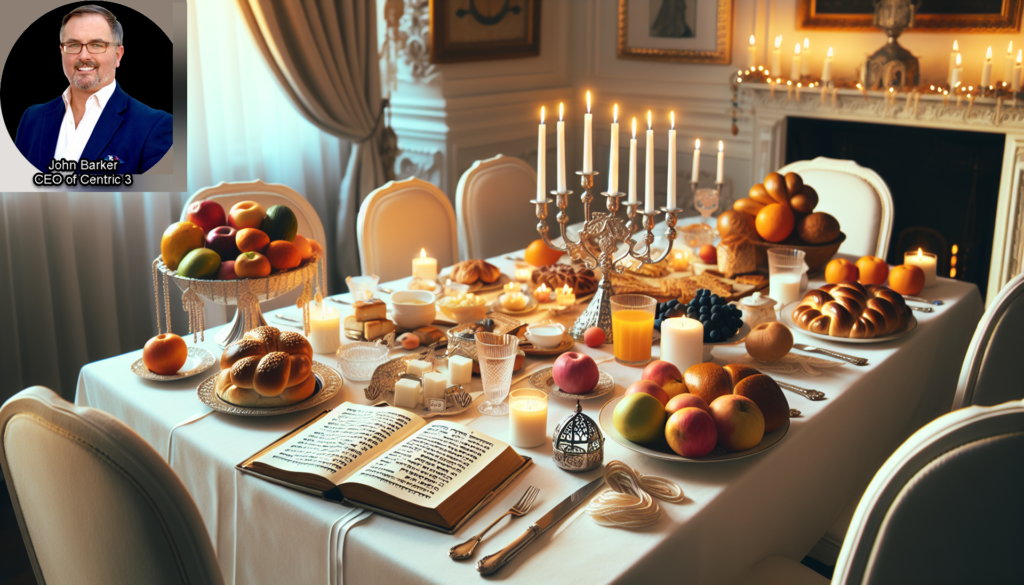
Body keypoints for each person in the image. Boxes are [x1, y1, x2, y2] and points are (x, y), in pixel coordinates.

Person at [14, 5, 171, 175]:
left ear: (118, 55)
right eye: (73, 45)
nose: (83, 56)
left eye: (96, 45)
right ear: (62, 52)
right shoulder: (32, 119)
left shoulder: (155, 127)